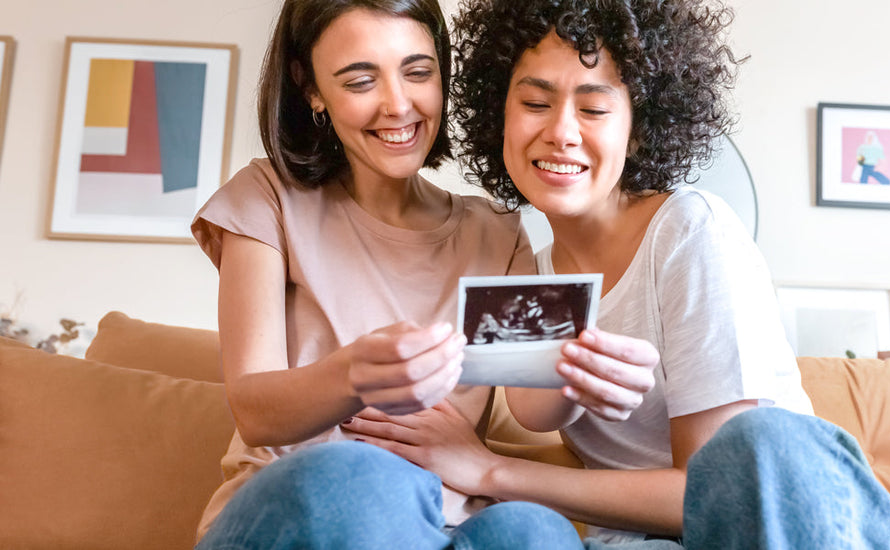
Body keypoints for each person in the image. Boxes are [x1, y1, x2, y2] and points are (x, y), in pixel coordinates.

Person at [346, 1, 890, 548]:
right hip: (646, 542)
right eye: (535, 102)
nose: (562, 132)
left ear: (638, 129)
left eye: (594, 109)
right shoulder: (529, 270)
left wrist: (494, 469)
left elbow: (715, 493)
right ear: (500, 111)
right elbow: (529, 407)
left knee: (752, 444)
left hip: (792, 522)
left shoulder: (691, 231)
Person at [190, 0, 658, 548]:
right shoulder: (268, 198)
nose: (398, 105)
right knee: (361, 477)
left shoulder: (497, 230)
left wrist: (582, 372)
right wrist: (350, 376)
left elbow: (534, 407)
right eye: (360, 80)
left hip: (444, 524)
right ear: (310, 87)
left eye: (418, 72)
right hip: (299, 509)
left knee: (530, 528)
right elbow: (255, 411)